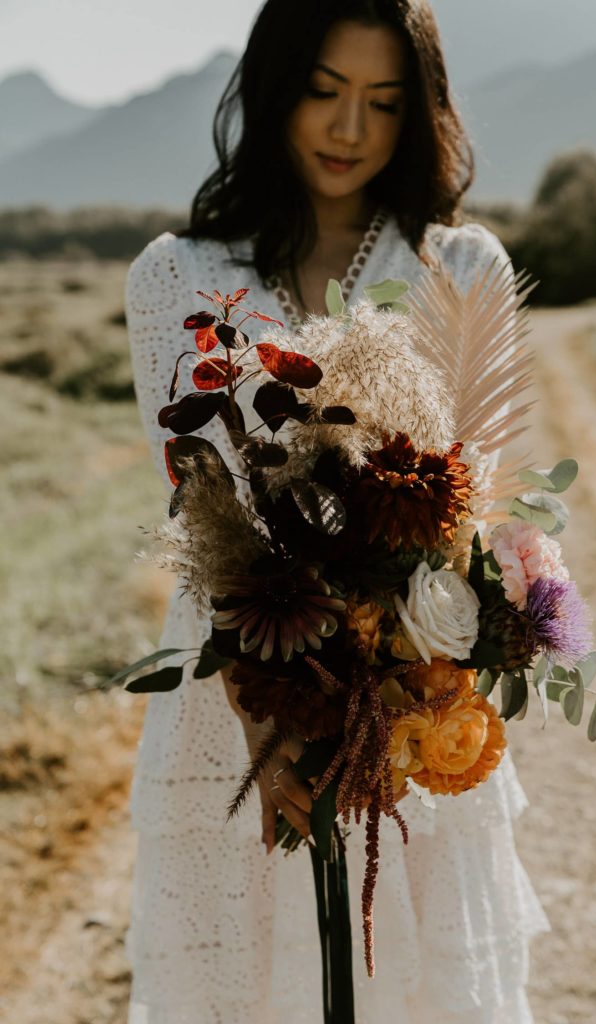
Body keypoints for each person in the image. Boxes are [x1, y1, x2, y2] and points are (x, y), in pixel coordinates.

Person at [124, 1, 551, 1021]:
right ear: (273, 87)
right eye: (323, 92)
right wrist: (266, 716)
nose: (348, 129)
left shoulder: (461, 269)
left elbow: (466, 514)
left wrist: (402, 680)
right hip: (233, 693)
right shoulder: (172, 274)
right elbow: (199, 506)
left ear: (419, 117)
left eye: (383, 103)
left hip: (408, 708)